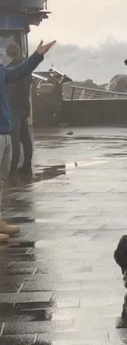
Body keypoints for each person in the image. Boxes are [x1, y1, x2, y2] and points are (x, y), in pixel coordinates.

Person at [0, 41, 56, 242]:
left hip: (5, 129)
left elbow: (20, 71)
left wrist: (37, 56)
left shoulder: (2, 71)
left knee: (2, 178)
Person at [5, 44, 34, 177]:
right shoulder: (25, 69)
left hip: (14, 108)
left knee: (14, 140)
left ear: (7, 54)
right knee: (25, 139)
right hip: (24, 106)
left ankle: (12, 169)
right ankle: (27, 165)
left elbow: (9, 92)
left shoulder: (10, 70)